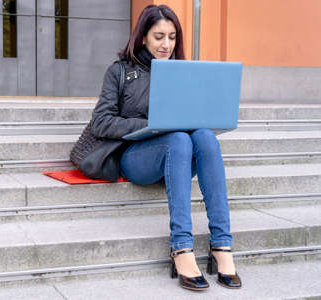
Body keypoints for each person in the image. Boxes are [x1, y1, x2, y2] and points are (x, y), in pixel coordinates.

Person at [76, 4, 242, 291]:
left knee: (204, 135)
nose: (167, 44)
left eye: (173, 37)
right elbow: (101, 122)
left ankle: (222, 244)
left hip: (179, 154)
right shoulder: (120, 71)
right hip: (138, 156)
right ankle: (181, 247)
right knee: (177, 137)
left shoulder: (183, 73)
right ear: (142, 37)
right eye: (158, 36)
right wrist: (148, 125)